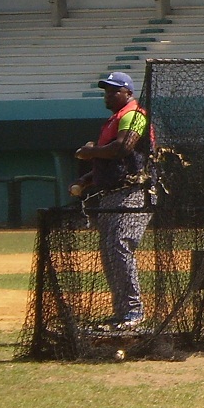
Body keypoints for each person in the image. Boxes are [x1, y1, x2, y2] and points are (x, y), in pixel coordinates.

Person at [70, 70, 152, 330]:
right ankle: (122, 312)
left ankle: (134, 313)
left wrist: (89, 152)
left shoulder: (134, 114)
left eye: (114, 90)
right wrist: (86, 180)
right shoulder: (113, 119)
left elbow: (123, 148)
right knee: (109, 251)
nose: (108, 94)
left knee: (119, 245)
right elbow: (114, 163)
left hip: (132, 193)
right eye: (106, 90)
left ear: (128, 92)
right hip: (111, 194)